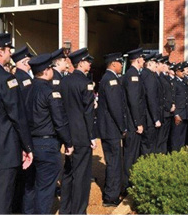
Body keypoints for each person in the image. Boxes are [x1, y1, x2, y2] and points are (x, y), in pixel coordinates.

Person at [26, 53, 74, 214]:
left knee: (31, 186)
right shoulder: (50, 91)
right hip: (47, 144)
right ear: (46, 71)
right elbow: (59, 121)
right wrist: (68, 143)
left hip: (29, 143)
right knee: (45, 189)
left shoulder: (26, 89)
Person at [0, 33, 34, 214]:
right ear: (0, 51)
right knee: (3, 199)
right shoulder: (5, 78)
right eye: (8, 49)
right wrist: (27, 146)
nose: (10, 52)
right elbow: (17, 115)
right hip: (4, 149)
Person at [59, 48, 96, 214]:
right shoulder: (85, 82)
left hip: (68, 133)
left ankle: (65, 209)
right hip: (81, 135)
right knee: (81, 175)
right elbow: (88, 112)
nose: (90, 64)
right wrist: (92, 136)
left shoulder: (64, 81)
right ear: (81, 62)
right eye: (88, 61)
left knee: (68, 173)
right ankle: (79, 211)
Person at [97, 52, 127, 206]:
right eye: (120, 63)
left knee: (112, 161)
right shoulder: (111, 80)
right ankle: (111, 196)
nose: (122, 65)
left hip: (108, 128)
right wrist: (123, 127)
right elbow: (115, 107)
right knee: (114, 162)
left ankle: (111, 192)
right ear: (113, 64)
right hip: (112, 129)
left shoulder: (107, 78)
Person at [10, 45, 34, 213]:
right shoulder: (22, 78)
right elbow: (26, 108)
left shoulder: (20, 77)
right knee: (25, 176)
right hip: (26, 131)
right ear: (25, 62)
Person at [121, 48, 145, 194]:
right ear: (137, 60)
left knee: (134, 154)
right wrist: (138, 122)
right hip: (132, 122)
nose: (144, 61)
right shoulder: (132, 75)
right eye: (142, 58)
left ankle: (131, 182)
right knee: (130, 155)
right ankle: (127, 186)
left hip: (133, 121)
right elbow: (134, 101)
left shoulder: (135, 74)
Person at [140, 52, 161, 155]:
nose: (156, 65)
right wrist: (155, 118)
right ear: (149, 63)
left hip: (147, 116)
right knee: (149, 145)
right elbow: (151, 98)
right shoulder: (149, 76)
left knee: (147, 144)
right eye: (154, 63)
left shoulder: (145, 74)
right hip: (149, 117)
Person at [156, 55, 175, 154]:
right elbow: (162, 95)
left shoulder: (165, 76)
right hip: (164, 111)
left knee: (165, 135)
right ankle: (160, 153)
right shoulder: (160, 77)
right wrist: (169, 106)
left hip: (168, 111)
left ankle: (163, 152)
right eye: (166, 64)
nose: (168, 66)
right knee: (161, 136)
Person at [170, 63, 188, 152]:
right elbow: (172, 99)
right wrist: (176, 114)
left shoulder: (183, 82)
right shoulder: (174, 83)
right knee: (176, 135)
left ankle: (180, 152)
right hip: (178, 113)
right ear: (176, 72)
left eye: (183, 70)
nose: (183, 72)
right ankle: (175, 153)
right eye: (181, 71)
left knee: (182, 135)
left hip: (185, 112)